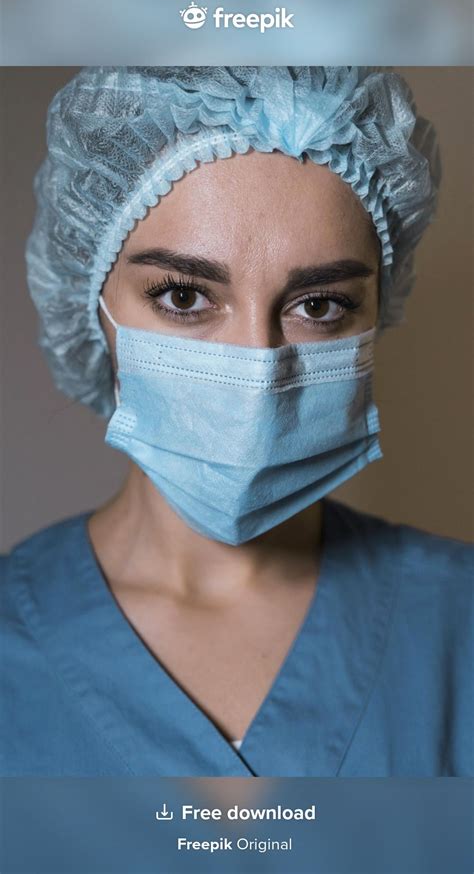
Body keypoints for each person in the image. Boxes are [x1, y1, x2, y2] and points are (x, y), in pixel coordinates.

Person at [1, 67, 472, 777]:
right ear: (90, 305)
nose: (258, 365)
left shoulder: (458, 630)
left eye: (320, 305)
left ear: (377, 312)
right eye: (184, 296)